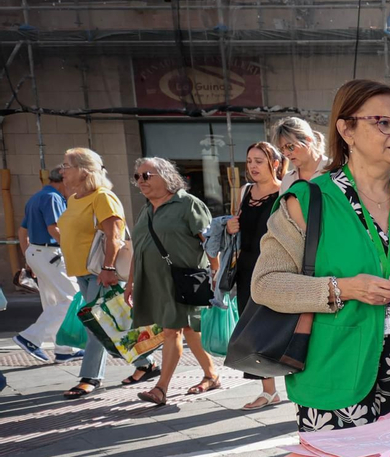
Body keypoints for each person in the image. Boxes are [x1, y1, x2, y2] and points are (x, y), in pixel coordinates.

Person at [252, 79, 390, 431]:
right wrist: (345, 288)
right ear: (346, 130)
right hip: (337, 378)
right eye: (383, 123)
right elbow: (266, 285)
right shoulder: (308, 201)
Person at [55, 147, 157, 398]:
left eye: (67, 166)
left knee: (96, 325)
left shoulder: (103, 197)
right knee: (112, 323)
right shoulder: (74, 198)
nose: (62, 171)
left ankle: (90, 377)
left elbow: (115, 236)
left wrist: (108, 268)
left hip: (99, 271)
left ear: (84, 170)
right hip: (82, 272)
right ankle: (145, 364)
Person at [127, 158, 223, 406]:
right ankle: (211, 375)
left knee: (172, 330)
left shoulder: (187, 204)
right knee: (188, 329)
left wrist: (217, 272)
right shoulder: (146, 209)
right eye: (137, 177)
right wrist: (131, 282)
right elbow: (138, 248)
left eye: (146, 175)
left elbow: (209, 241)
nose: (140, 181)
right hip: (154, 281)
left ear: (166, 176)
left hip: (185, 280)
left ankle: (160, 388)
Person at [226, 141, 285, 408]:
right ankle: (268, 390)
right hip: (247, 267)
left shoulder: (285, 191)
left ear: (274, 163)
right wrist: (229, 227)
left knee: (281, 326)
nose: (252, 166)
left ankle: (296, 383)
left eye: (259, 161)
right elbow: (236, 227)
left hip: (276, 266)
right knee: (253, 329)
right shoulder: (245, 191)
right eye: (249, 161)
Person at [15, 169, 79, 362]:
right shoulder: (53, 197)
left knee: (55, 302)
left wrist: (28, 256)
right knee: (71, 300)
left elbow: (21, 231)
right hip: (51, 253)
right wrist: (72, 251)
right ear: (64, 181)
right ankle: (30, 337)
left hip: (38, 252)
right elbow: (54, 228)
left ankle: (64, 350)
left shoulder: (36, 197)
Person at [272, 116, 330, 188]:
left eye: (290, 146)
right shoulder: (287, 180)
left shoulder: (335, 170)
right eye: (282, 149)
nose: (286, 154)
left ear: (308, 140)